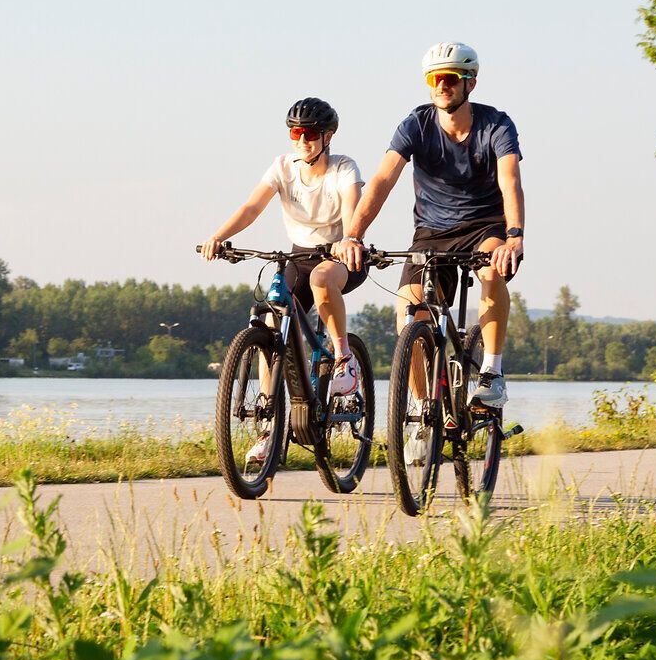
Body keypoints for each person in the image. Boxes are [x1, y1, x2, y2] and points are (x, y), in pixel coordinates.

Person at [335, 42, 524, 465]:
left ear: (470, 83)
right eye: (434, 79)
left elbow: (510, 179)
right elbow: (382, 180)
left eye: (450, 78)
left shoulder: (496, 124)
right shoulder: (416, 124)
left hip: (485, 227)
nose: (441, 85)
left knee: (492, 271)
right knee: (409, 310)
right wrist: (353, 235)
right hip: (432, 233)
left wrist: (514, 236)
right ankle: (422, 412)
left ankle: (491, 372)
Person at [200, 98, 367, 468]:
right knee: (272, 325)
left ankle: (345, 359)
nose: (302, 140)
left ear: (327, 136)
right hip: (299, 257)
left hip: (342, 255)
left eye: (310, 133)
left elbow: (352, 207)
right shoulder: (282, 167)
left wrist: (349, 238)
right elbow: (251, 208)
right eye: (295, 133)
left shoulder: (343, 168)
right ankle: (268, 428)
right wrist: (219, 237)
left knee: (322, 279)